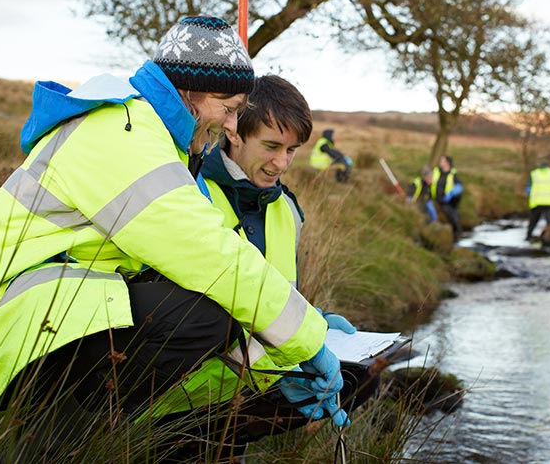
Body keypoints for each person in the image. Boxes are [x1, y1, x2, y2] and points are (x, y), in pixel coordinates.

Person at [0, 17, 346, 449]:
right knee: (199, 317)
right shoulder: (123, 135)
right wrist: (306, 340)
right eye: (229, 109)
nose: (232, 127)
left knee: (200, 311)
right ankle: (46, 449)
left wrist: (294, 348)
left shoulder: (153, 137)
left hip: (20, 318)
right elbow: (212, 257)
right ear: (190, 91)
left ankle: (73, 440)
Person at [147, 74, 378, 457]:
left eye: (291, 150)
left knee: (361, 377)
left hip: (259, 378)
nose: (281, 163)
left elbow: (279, 297)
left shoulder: (287, 209)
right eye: (271, 146)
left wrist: (315, 320)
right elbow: (186, 314)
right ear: (234, 131)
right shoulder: (189, 193)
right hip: (180, 395)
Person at [526, 161, 550, 240]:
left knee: (533, 222)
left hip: (536, 202)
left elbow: (528, 189)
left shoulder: (534, 174)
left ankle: (528, 236)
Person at [431, 155, 464, 240]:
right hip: (436, 199)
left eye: (442, 161)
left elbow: (459, 187)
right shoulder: (436, 171)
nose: (440, 162)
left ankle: (457, 233)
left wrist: (450, 194)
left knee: (452, 214)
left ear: (447, 163)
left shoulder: (452, 174)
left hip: (447, 201)